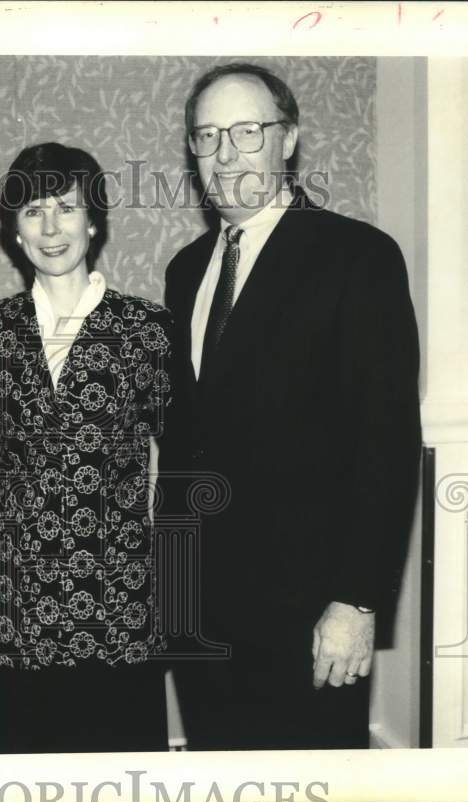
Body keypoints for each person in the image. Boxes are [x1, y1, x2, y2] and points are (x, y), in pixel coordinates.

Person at [159, 63, 422, 750]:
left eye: (247, 131)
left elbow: (386, 442)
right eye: (207, 135)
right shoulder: (186, 270)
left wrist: (357, 601)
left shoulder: (357, 256)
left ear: (289, 139)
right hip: (200, 612)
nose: (225, 153)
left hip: (308, 612)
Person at [0, 142, 173, 753]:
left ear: (94, 220)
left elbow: (185, 465)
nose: (51, 227)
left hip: (122, 608)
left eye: (65, 207)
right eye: (32, 211)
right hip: (20, 613)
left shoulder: (146, 330)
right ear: (14, 231)